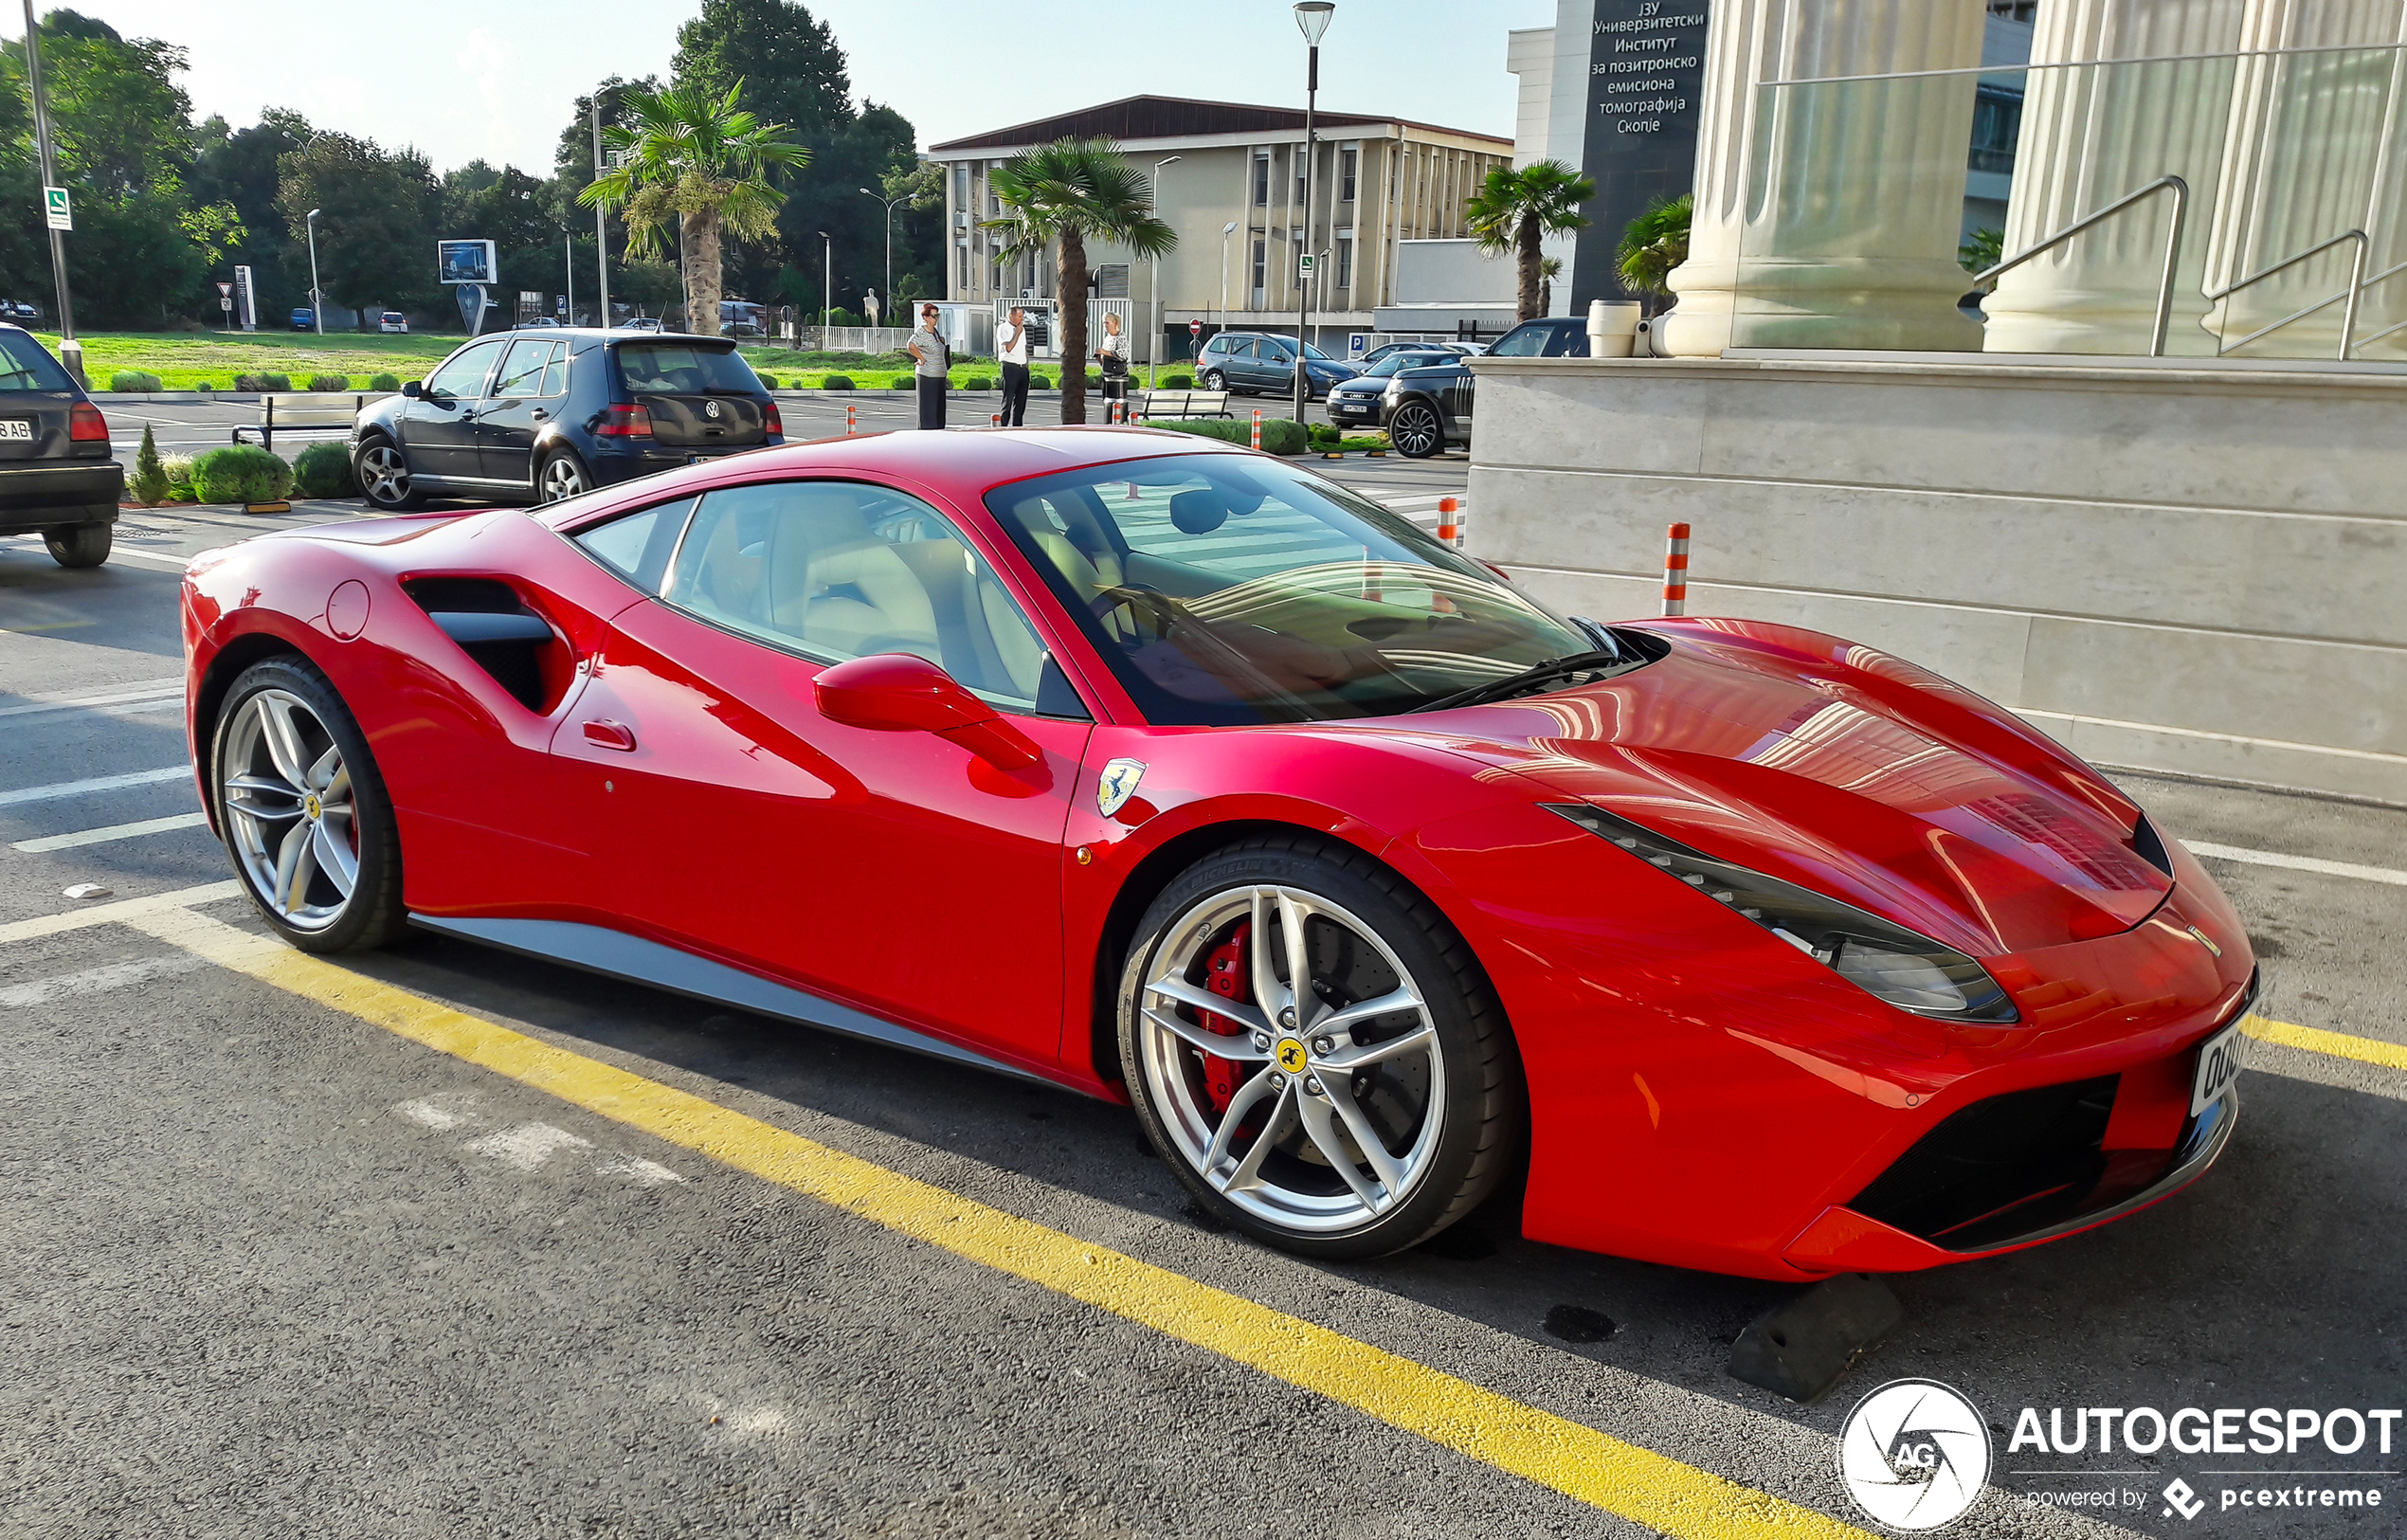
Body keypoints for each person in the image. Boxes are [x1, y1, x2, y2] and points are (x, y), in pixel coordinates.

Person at [908, 302, 950, 430]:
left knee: (939, 411)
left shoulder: (935, 332)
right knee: (928, 411)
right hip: (927, 376)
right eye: (933, 316)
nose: (936, 318)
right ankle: (926, 436)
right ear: (925, 317)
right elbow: (911, 345)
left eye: (937, 315)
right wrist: (920, 358)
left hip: (939, 376)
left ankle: (938, 433)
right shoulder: (922, 332)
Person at [997, 305, 1031, 427]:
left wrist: (1027, 364)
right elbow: (1008, 348)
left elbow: (1023, 348)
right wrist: (1017, 333)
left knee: (1021, 401)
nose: (1022, 319)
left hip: (1022, 367)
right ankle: (1003, 425)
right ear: (1011, 316)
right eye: (1019, 316)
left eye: (1022, 316)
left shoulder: (1022, 329)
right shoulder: (1003, 328)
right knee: (1008, 399)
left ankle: (1018, 426)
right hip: (1010, 366)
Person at [1095, 312, 1131, 421]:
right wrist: (1100, 358)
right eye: (1103, 323)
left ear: (1114, 322)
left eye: (1107, 323)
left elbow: (1123, 354)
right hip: (1107, 374)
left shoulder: (1121, 337)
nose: (1105, 326)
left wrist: (1105, 352)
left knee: (1117, 402)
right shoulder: (1107, 338)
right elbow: (1106, 356)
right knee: (1107, 401)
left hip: (1118, 376)